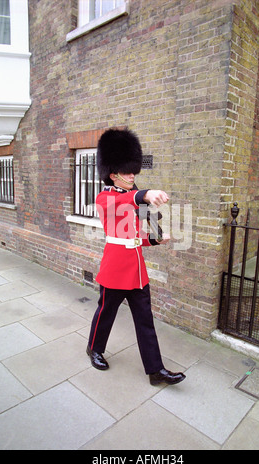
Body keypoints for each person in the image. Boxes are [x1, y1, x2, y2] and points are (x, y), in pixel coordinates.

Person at [86, 128, 186, 386]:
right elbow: (123, 203)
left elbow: (133, 238)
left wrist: (154, 238)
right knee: (105, 313)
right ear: (113, 174)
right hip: (114, 270)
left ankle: (155, 370)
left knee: (145, 321)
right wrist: (145, 194)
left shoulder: (132, 201)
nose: (132, 175)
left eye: (133, 171)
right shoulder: (104, 198)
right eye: (127, 171)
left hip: (137, 272)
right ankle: (94, 349)